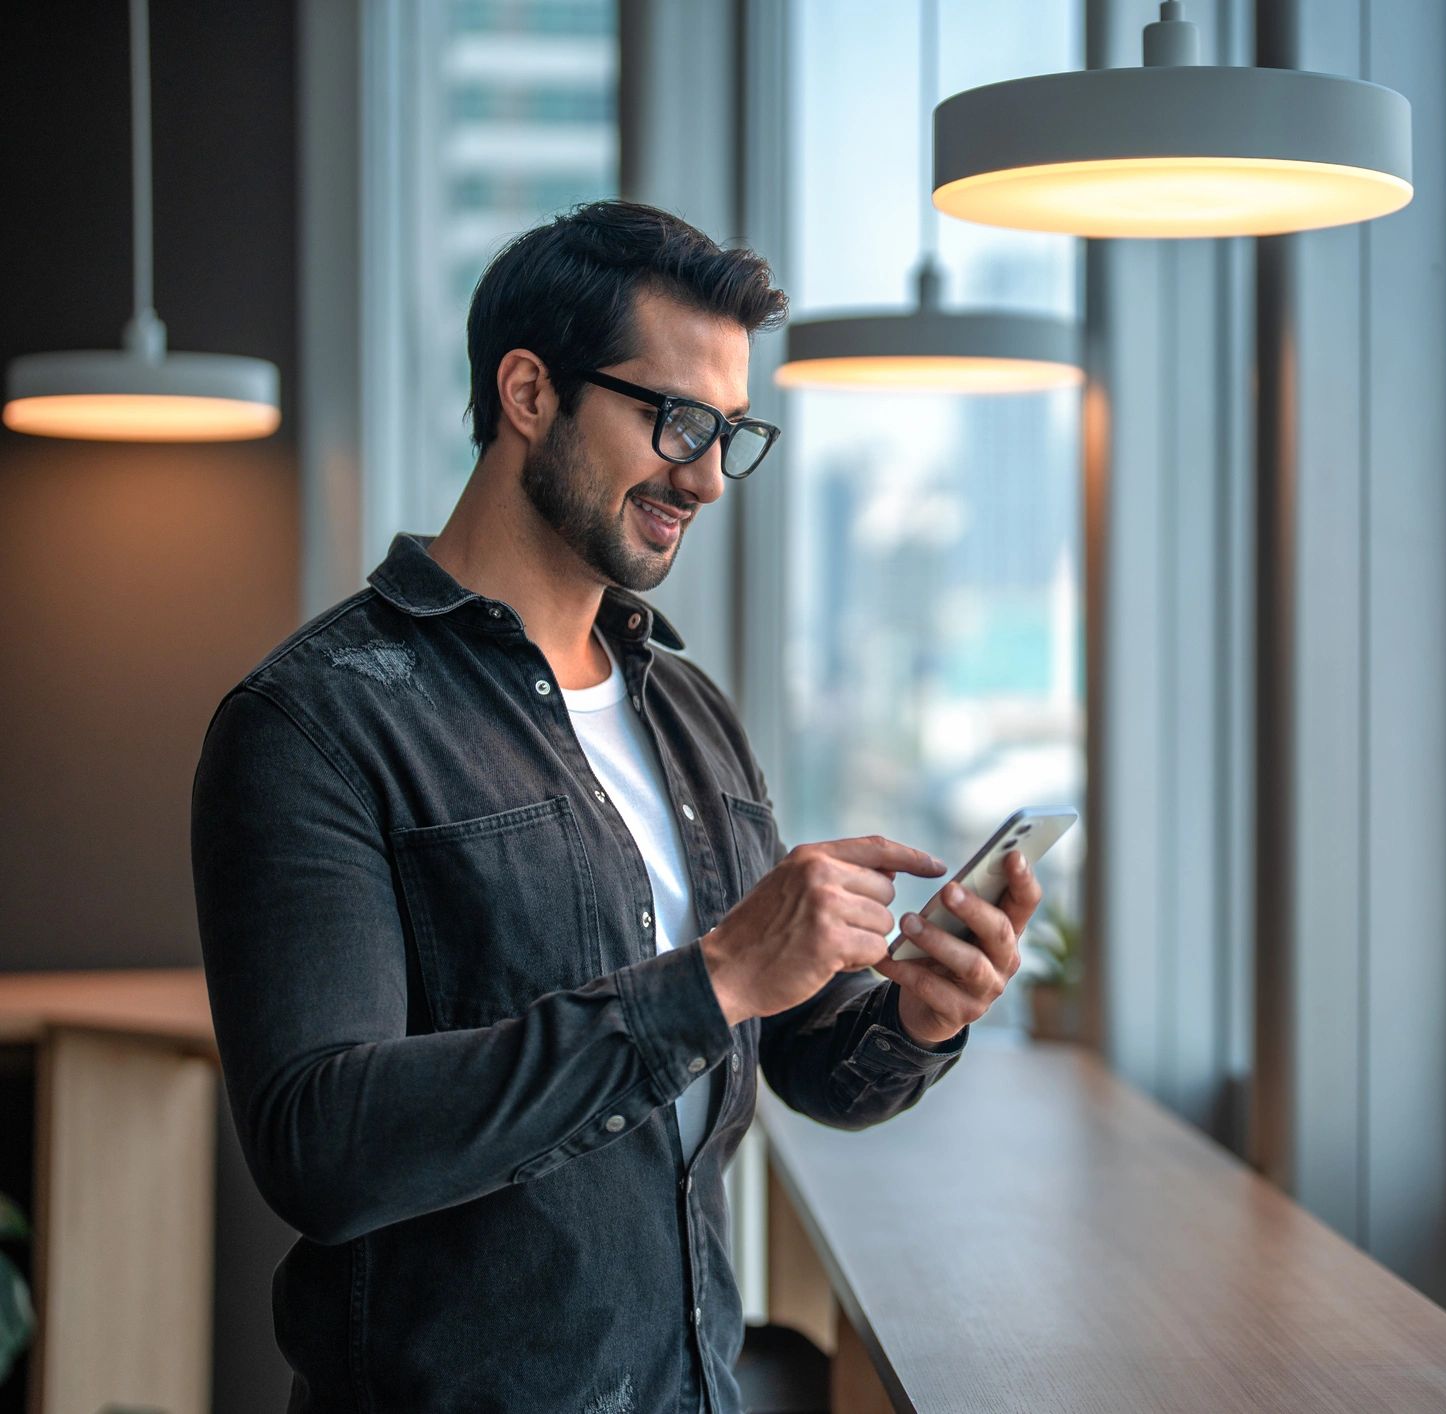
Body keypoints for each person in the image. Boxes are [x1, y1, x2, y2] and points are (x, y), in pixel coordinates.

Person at [189, 199, 1042, 1412]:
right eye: (677, 420)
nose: (706, 477)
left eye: (731, 434)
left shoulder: (686, 707)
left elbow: (799, 1062)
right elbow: (324, 1150)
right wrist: (716, 977)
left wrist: (918, 1016)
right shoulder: (314, 722)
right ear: (529, 393)